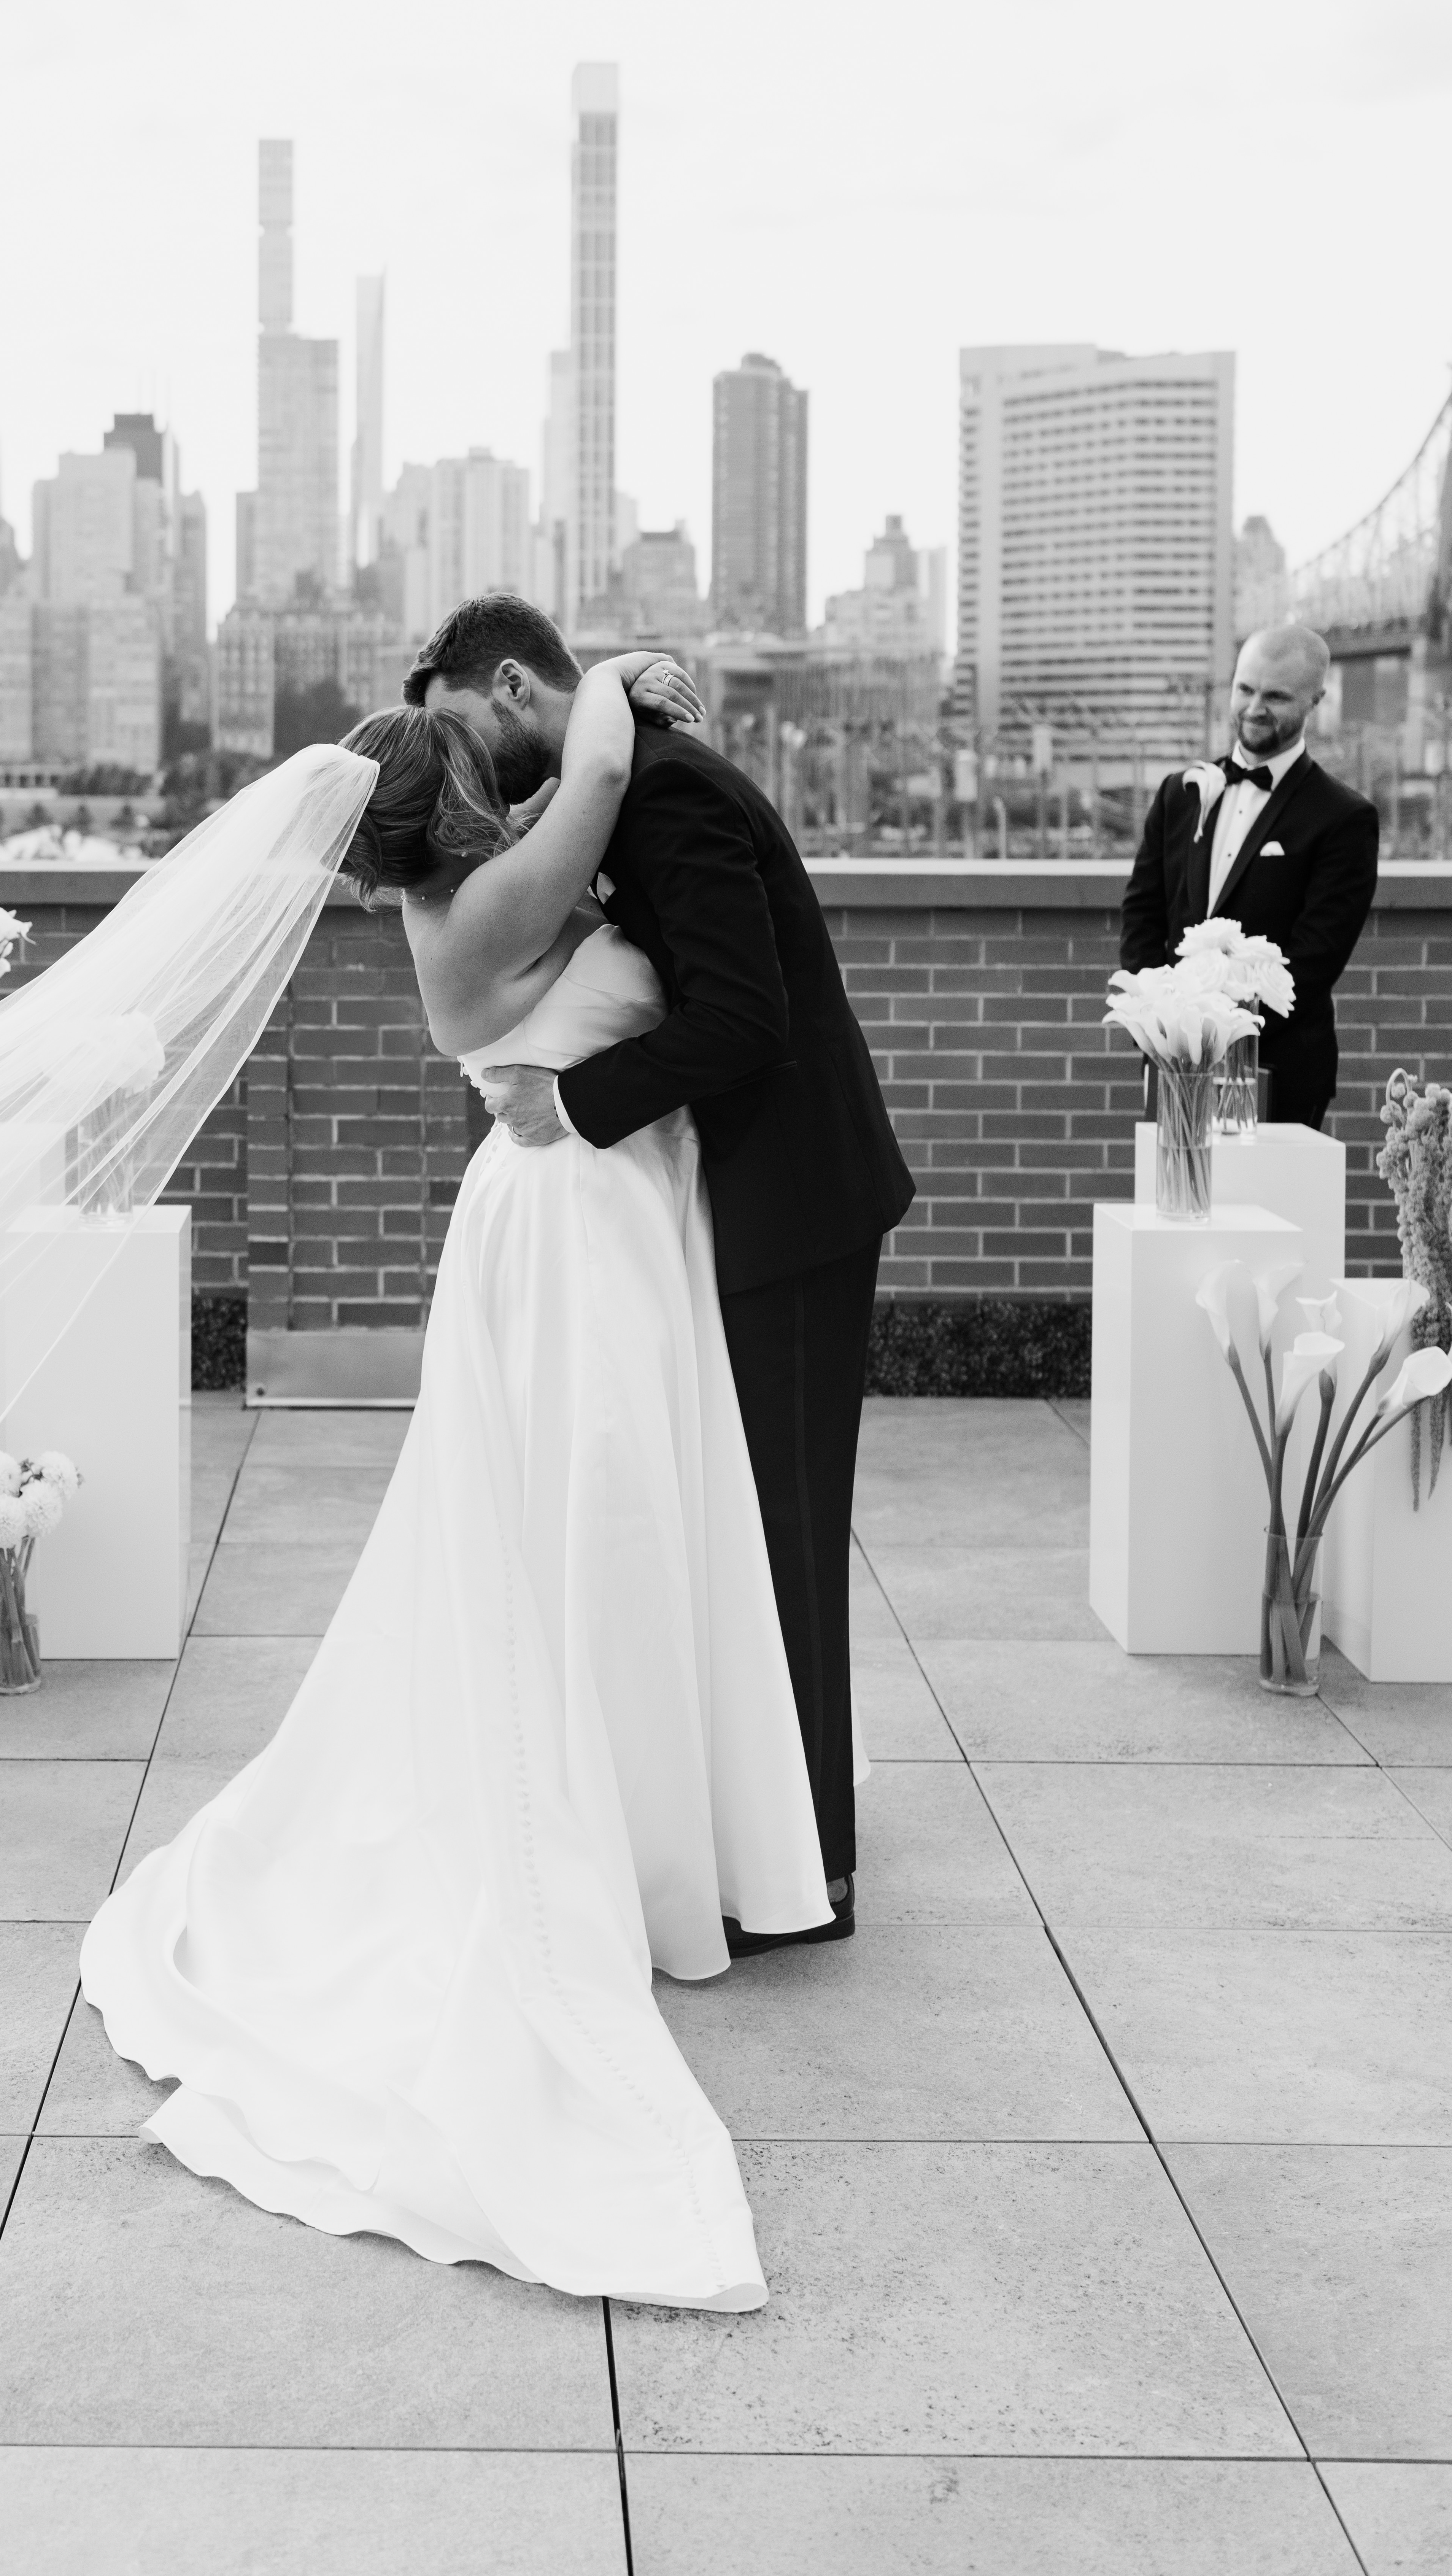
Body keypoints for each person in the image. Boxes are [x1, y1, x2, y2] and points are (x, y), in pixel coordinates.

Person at [80, 646, 853, 2310]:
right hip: (579, 1229)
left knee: (589, 1523)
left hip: (583, 1213)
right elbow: (598, 778)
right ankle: (631, 1830)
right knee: (600, 1521)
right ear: (460, 799)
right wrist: (613, 679)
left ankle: (647, 1809)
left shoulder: (461, 910)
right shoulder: (502, 898)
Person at [418, 595, 915, 1937]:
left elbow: (745, 1017)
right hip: (746, 1194)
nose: (465, 761)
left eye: (465, 725)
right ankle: (773, 1829)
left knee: (786, 1530)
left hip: (792, 1201)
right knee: (753, 1529)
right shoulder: (615, 783)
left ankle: (814, 1866)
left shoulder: (665, 792)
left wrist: (573, 1105)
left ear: (513, 686)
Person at [1122, 623, 1379, 1128]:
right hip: (1173, 1062)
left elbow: (1315, 959)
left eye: (1276, 696)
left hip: (1280, 1073)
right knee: (1174, 1183)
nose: (1255, 707)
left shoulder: (1344, 818)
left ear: (1315, 700)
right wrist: (1162, 1028)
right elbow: (1142, 916)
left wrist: (1221, 1038)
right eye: (1245, 689)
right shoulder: (1180, 794)